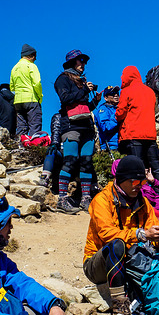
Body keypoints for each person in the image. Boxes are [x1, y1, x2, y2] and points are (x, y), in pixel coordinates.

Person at [83, 155, 159, 310]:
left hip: (131, 259)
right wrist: (141, 234)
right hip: (97, 264)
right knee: (116, 245)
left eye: (142, 182)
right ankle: (119, 305)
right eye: (135, 182)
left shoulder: (142, 202)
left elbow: (152, 228)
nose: (140, 186)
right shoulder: (102, 200)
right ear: (122, 180)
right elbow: (107, 234)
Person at [54, 50, 101, 213]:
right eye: (80, 61)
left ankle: (86, 199)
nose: (83, 64)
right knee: (70, 161)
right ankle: (62, 199)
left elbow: (82, 107)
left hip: (86, 126)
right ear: (72, 62)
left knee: (87, 162)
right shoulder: (62, 79)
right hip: (70, 126)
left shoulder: (81, 81)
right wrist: (85, 90)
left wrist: (94, 101)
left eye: (84, 61)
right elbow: (65, 99)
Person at [116, 66, 159, 200]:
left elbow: (120, 113)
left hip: (133, 134)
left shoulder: (126, 91)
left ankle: (140, 198)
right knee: (156, 166)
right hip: (150, 135)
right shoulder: (149, 91)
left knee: (137, 167)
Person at [11, 44, 43, 136]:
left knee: (21, 127)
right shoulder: (31, 66)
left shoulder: (14, 68)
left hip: (18, 101)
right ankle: (34, 146)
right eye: (35, 57)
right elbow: (37, 83)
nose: (35, 59)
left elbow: (12, 87)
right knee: (35, 126)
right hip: (31, 99)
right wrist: (39, 97)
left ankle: (20, 147)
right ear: (31, 55)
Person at [39, 112, 67, 190]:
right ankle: (44, 177)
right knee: (51, 152)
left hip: (73, 153)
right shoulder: (58, 116)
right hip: (61, 150)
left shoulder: (78, 117)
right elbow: (56, 131)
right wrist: (54, 144)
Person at [94, 86, 121, 151]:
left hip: (122, 144)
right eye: (112, 94)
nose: (116, 95)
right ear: (106, 98)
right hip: (110, 147)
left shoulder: (119, 108)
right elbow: (105, 127)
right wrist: (117, 116)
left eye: (117, 93)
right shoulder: (103, 109)